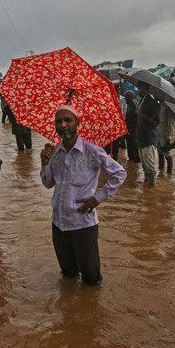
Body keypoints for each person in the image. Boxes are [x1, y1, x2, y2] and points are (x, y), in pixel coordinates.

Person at [39, 105, 126, 285]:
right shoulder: (54, 153)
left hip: (82, 225)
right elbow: (48, 184)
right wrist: (44, 163)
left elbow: (120, 173)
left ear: (77, 123)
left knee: (92, 279)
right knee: (68, 274)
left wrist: (97, 199)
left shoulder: (92, 151)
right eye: (58, 121)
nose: (63, 124)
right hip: (59, 224)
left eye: (67, 120)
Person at [135, 82, 162, 186]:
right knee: (144, 165)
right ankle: (146, 187)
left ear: (146, 89)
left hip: (149, 139)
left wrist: (141, 114)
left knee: (150, 166)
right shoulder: (142, 102)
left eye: (141, 89)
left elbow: (156, 123)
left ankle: (152, 187)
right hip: (141, 139)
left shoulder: (153, 103)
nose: (139, 91)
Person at [157, 99, 175, 174]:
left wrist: (168, 136)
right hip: (158, 131)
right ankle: (161, 170)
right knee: (159, 152)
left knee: (167, 154)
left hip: (165, 134)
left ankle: (169, 173)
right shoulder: (160, 104)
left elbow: (170, 122)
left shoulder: (169, 106)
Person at [122, 90, 141, 163]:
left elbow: (137, 119)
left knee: (134, 146)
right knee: (129, 146)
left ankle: (136, 161)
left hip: (133, 130)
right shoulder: (130, 104)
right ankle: (132, 160)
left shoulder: (134, 105)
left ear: (130, 97)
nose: (124, 98)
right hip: (129, 129)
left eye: (126, 97)